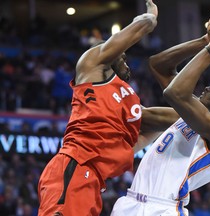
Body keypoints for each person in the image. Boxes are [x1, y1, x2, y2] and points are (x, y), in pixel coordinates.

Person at [111, 16, 210, 215]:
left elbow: (175, 93)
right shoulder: (184, 118)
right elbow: (158, 65)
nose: (207, 86)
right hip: (129, 202)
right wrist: (205, 41)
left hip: (162, 209)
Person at [37, 1, 179, 215]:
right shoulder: (91, 66)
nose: (128, 64)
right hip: (75, 166)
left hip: (94, 180)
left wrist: (205, 111)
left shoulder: (128, 103)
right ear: (114, 54)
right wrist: (149, 18)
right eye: (124, 58)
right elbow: (136, 29)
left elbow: (160, 121)